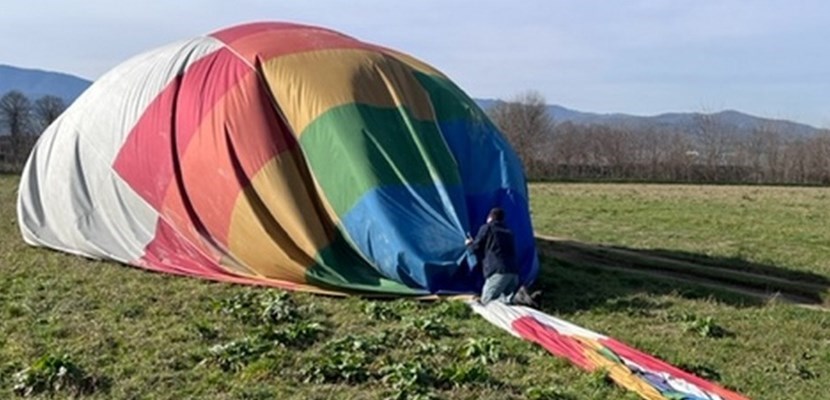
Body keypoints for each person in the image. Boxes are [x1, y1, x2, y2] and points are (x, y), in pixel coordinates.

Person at [465, 207, 521, 304]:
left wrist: (469, 244)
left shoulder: (487, 227)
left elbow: (476, 247)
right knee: (509, 304)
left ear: (490, 217)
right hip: (513, 272)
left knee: (487, 303)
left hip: (498, 271)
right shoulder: (508, 232)